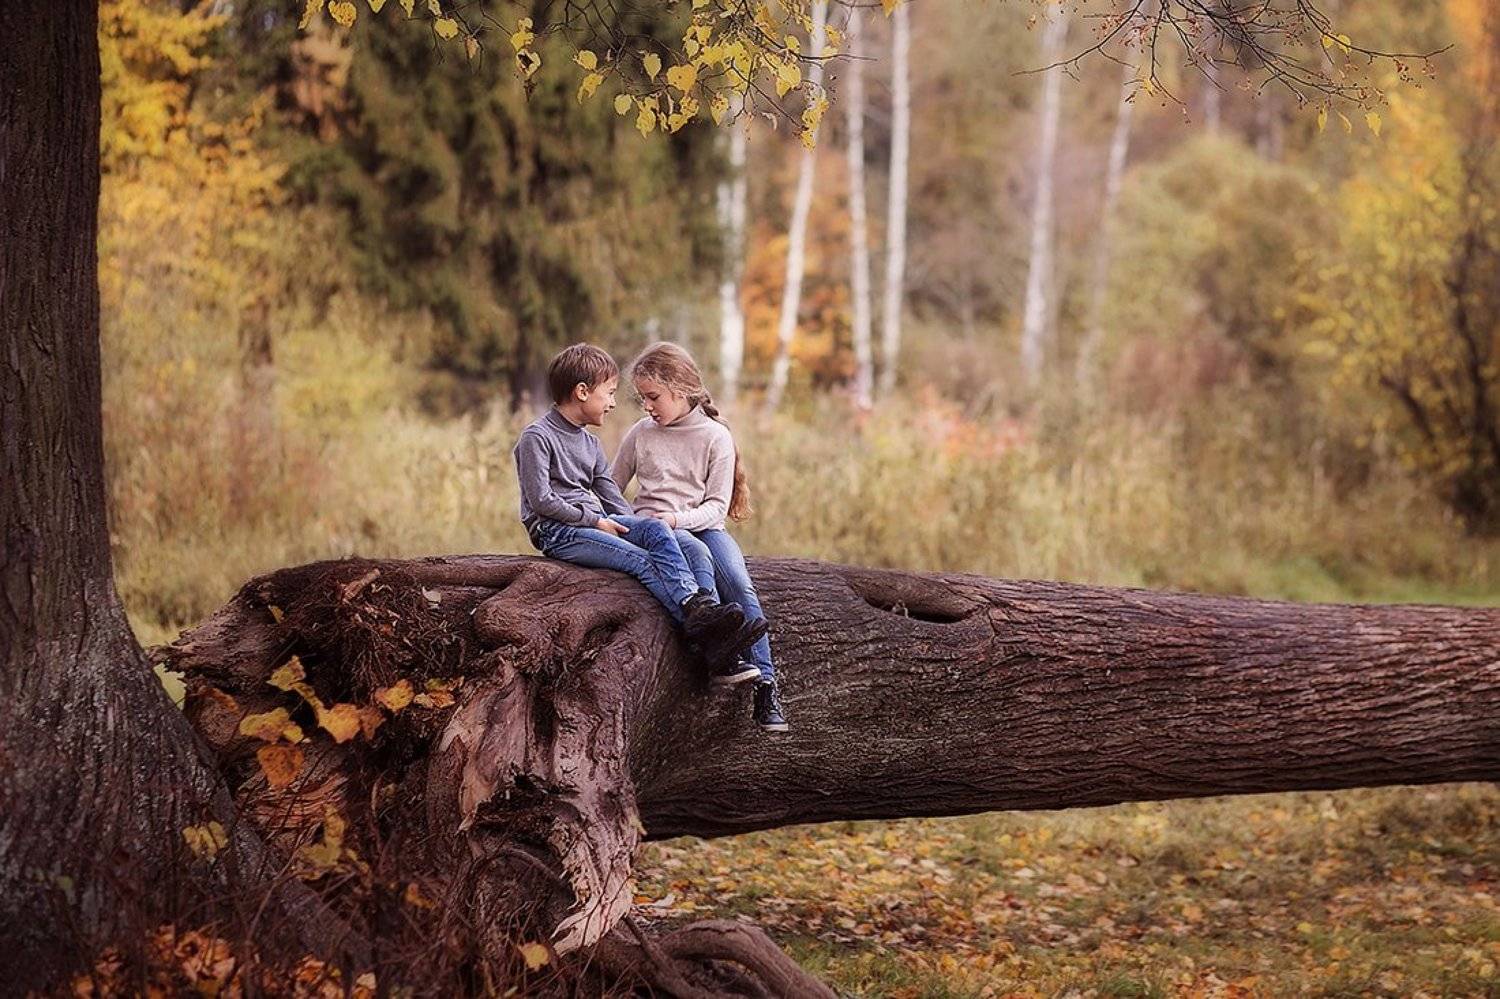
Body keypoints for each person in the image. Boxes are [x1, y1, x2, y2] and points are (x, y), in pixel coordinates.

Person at [512, 343, 765, 671]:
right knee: (643, 562)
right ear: (582, 392)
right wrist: (596, 521)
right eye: (610, 393)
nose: (614, 403)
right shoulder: (537, 437)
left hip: (592, 523)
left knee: (663, 534)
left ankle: (704, 612)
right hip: (558, 530)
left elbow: (611, 495)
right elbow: (541, 501)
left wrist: (639, 529)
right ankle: (704, 632)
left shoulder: (590, 443)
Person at [612, 342, 790, 733]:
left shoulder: (715, 437)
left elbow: (716, 507)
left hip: (702, 525)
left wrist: (677, 518)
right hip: (657, 531)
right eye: (642, 399)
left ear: (679, 389)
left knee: (739, 583)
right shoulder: (640, 434)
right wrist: (635, 524)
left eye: (653, 397)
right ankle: (716, 656)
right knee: (698, 565)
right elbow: (611, 487)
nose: (647, 407)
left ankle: (766, 684)